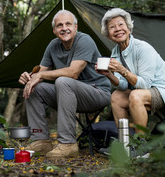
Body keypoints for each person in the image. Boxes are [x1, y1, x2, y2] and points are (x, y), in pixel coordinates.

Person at [18, 10, 111, 158]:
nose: (64, 28)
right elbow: (40, 73)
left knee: (63, 81)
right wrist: (29, 78)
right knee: (35, 87)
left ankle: (68, 143)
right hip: (68, 95)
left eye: (68, 24)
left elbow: (73, 72)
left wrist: (41, 75)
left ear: (76, 27)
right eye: (59, 25)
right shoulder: (53, 46)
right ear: (54, 30)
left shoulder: (84, 40)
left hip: (97, 93)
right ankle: (41, 140)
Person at [97, 8, 165, 134]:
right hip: (149, 91)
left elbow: (145, 85)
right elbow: (123, 85)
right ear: (108, 34)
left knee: (136, 96)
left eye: (120, 25)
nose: (117, 29)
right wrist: (109, 75)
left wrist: (122, 70)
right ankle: (126, 143)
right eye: (112, 27)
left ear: (129, 28)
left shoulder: (143, 48)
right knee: (117, 96)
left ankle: (140, 146)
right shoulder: (115, 53)